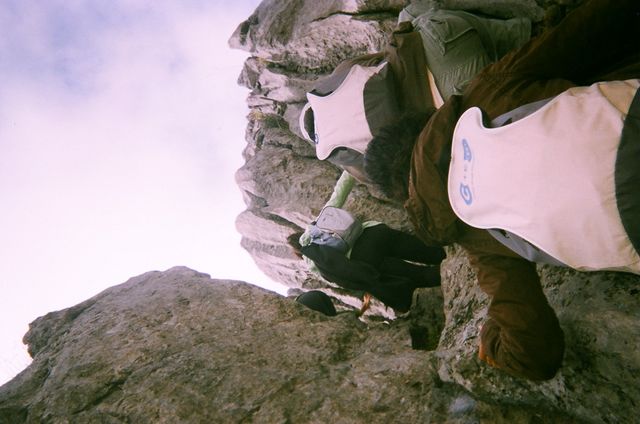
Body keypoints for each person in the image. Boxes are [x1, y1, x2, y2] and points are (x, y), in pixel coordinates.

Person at [363, 0, 640, 381]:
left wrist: (492, 343)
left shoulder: (475, 238)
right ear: (418, 122)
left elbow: (536, 353)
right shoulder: (483, 92)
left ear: (403, 196)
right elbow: (595, 27)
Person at [292, 172, 445, 313]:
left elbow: (337, 277)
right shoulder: (317, 224)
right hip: (375, 234)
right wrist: (348, 170)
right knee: (430, 250)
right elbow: (339, 194)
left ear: (298, 251)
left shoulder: (311, 259)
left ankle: (451, 274)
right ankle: (458, 257)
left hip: (368, 261)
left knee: (420, 276)